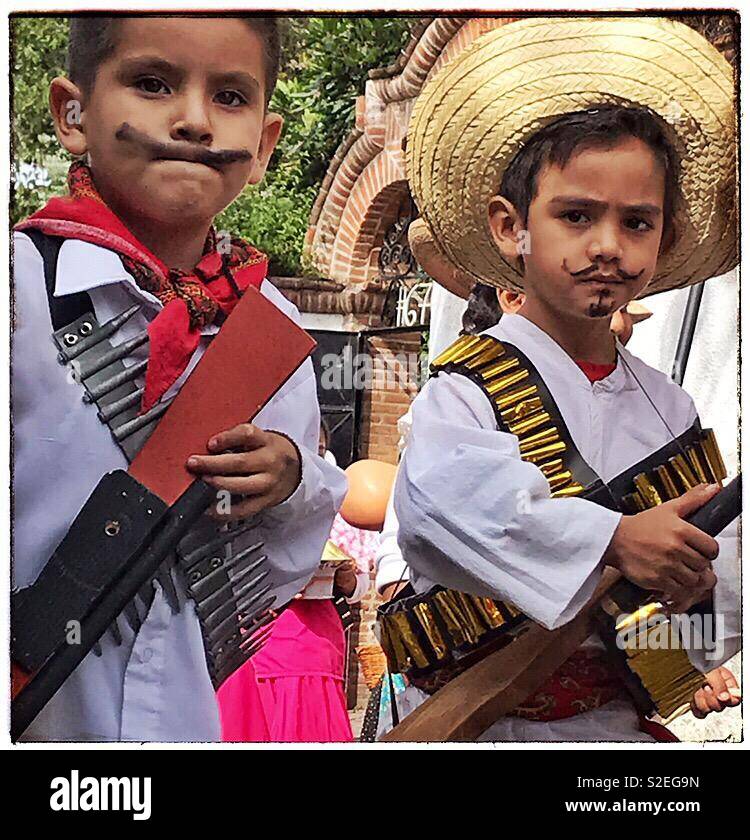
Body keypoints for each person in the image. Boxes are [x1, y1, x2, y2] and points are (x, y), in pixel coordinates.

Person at [393, 17, 740, 741]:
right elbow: (446, 516)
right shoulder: (466, 387)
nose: (608, 246)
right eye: (576, 215)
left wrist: (689, 603)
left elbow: (695, 602)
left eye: (637, 223)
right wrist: (615, 541)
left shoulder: (670, 407)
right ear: (509, 226)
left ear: (664, 238)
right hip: (487, 722)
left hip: (610, 724)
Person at [12, 16, 347, 741]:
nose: (194, 121)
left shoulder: (270, 328)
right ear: (73, 114)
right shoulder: (19, 291)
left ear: (263, 146)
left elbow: (270, 577)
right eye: (153, 83)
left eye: (230, 96)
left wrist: (288, 482)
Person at [217, 424, 372, 742]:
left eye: (319, 446)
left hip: (312, 640)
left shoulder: (332, 498)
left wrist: (346, 579)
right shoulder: (240, 496)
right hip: (254, 636)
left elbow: (361, 584)